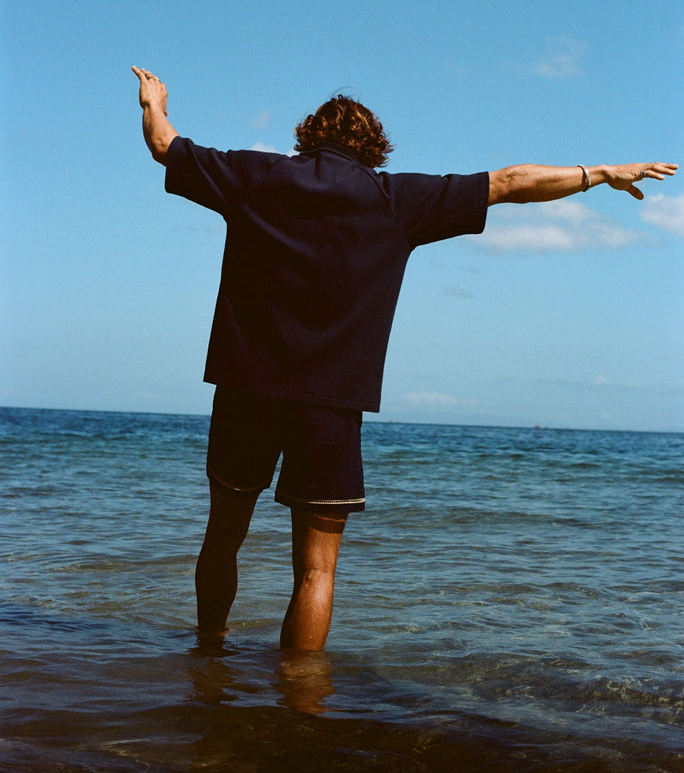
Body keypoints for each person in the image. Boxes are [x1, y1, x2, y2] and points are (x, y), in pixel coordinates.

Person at [134, 65, 677, 651]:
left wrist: (153, 99)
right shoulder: (394, 199)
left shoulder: (257, 177)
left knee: (223, 538)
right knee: (316, 570)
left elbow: (164, 144)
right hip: (331, 407)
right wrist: (599, 174)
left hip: (246, 389)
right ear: (374, 150)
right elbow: (510, 182)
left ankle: (209, 660)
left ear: (306, 136)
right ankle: (300, 710)